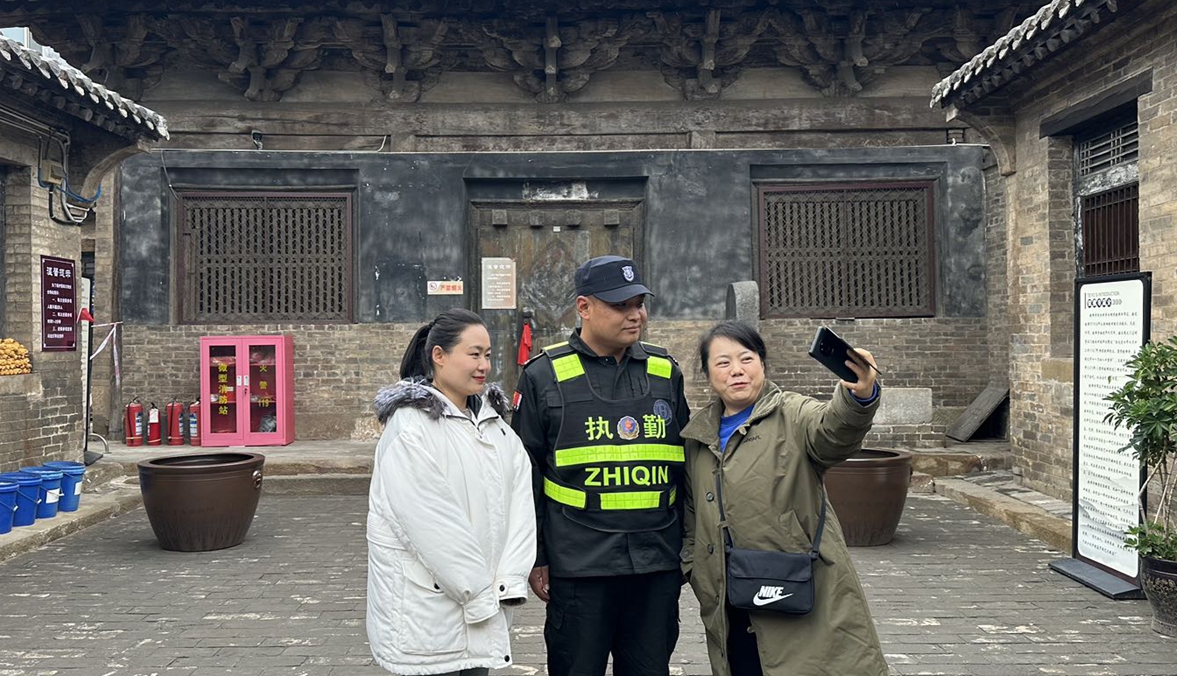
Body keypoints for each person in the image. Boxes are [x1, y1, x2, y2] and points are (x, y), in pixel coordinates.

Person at [511, 255, 691, 676]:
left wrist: (689, 549)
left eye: (639, 303)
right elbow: (524, 475)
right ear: (584, 307)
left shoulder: (666, 371)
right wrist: (535, 556)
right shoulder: (543, 375)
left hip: (655, 561)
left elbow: (687, 467)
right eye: (620, 305)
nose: (635, 315)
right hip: (579, 563)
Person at [681, 321, 888, 676]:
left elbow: (832, 432)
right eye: (723, 363)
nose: (737, 371)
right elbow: (690, 512)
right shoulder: (696, 438)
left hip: (799, 589)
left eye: (746, 359)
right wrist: (694, 565)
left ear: (762, 363)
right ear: (707, 374)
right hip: (729, 601)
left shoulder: (792, 413)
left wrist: (858, 397)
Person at [366, 308, 536, 676]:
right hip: (426, 612)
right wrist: (478, 596)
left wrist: (510, 580)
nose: (484, 366)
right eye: (473, 354)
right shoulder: (411, 429)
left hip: (486, 608)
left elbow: (522, 510)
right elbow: (431, 526)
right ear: (438, 356)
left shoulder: (498, 430)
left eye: (488, 355)